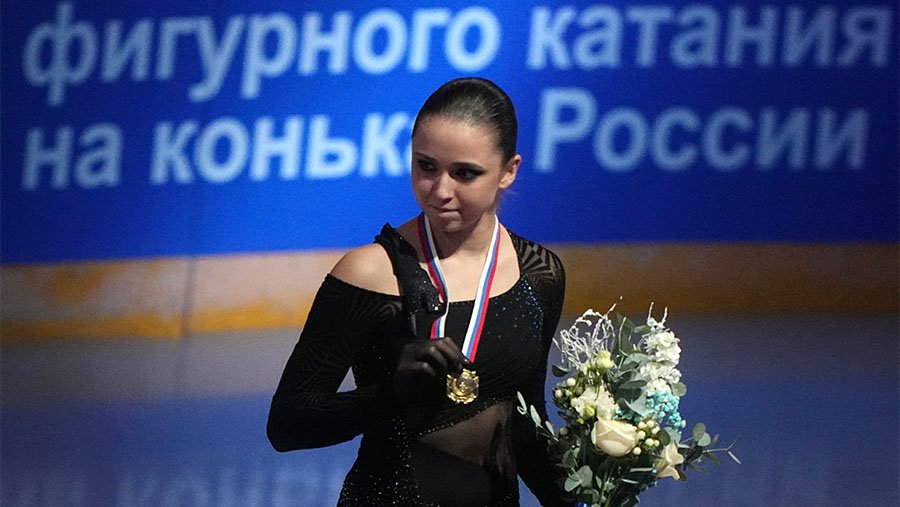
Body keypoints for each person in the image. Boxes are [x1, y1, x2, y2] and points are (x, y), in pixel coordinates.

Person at [267, 77, 570, 506]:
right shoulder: (370, 273)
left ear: (508, 171)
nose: (440, 191)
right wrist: (388, 394)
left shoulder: (539, 274)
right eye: (426, 166)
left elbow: (524, 424)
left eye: (465, 173)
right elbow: (287, 425)